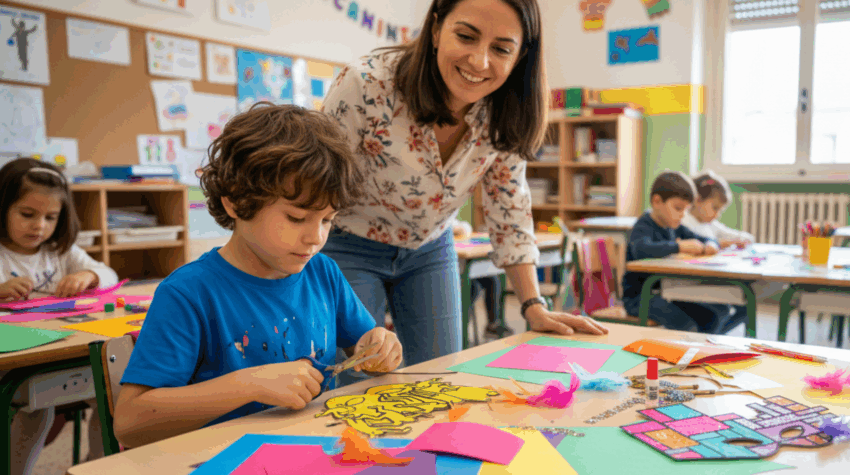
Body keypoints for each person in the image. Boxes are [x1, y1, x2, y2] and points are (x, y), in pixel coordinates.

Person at [321, 0, 607, 383]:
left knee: (442, 377)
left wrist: (533, 304)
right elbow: (316, 179)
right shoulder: (366, 84)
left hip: (429, 247)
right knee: (357, 380)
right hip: (349, 243)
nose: (479, 61)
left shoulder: (505, 110)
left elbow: (509, 208)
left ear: (520, 55)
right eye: (466, 36)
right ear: (437, 29)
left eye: (501, 49)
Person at [113, 104, 403, 449]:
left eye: (327, 220)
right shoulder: (188, 293)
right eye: (297, 218)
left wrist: (380, 348)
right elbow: (130, 424)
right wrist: (247, 385)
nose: (315, 238)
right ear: (236, 203)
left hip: (314, 450)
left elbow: (364, 343)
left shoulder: (322, 272)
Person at [0, 157, 116, 475]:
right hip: (14, 361)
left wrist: (89, 277)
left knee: (112, 396)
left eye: (51, 217)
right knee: (38, 412)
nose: (39, 226)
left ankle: (97, 468)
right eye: (27, 214)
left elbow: (107, 272)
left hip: (59, 351)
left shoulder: (59, 251)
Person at [622, 171, 747, 334]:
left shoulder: (674, 226)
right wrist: (679, 247)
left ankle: (701, 350)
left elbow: (700, 238)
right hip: (640, 298)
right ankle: (689, 350)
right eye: (678, 208)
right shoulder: (644, 225)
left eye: (686, 210)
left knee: (712, 317)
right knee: (687, 324)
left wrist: (710, 243)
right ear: (657, 201)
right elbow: (642, 250)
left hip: (667, 292)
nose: (682, 215)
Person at [451, 219, 512, 338]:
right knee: (471, 287)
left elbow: (465, 227)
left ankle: (493, 324)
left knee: (492, 279)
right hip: (454, 274)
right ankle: (460, 331)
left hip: (463, 269)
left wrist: (457, 229)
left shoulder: (450, 220)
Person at [681, 171, 754, 249]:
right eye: (715, 208)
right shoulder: (683, 222)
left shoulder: (711, 224)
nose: (717, 214)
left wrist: (740, 240)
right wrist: (719, 243)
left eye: (720, 210)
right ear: (697, 199)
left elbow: (747, 237)